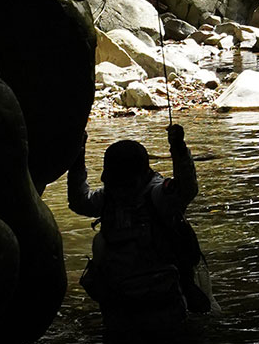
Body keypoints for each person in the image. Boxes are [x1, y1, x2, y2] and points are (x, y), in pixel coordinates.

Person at [67, 123, 211, 325]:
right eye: (114, 183)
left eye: (122, 182)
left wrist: (178, 149)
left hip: (163, 306)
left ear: (141, 176)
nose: (119, 190)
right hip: (121, 307)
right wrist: (77, 156)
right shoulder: (109, 197)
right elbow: (79, 201)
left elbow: (186, 189)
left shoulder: (157, 195)